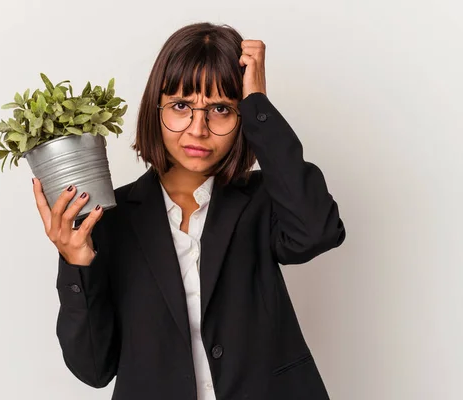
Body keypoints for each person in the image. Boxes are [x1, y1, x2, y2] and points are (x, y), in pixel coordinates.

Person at [32, 22, 346, 400]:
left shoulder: (263, 200)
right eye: (181, 106)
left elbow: (317, 233)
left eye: (221, 110)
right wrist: (76, 263)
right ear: (157, 106)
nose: (198, 129)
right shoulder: (111, 218)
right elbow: (94, 369)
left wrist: (258, 104)